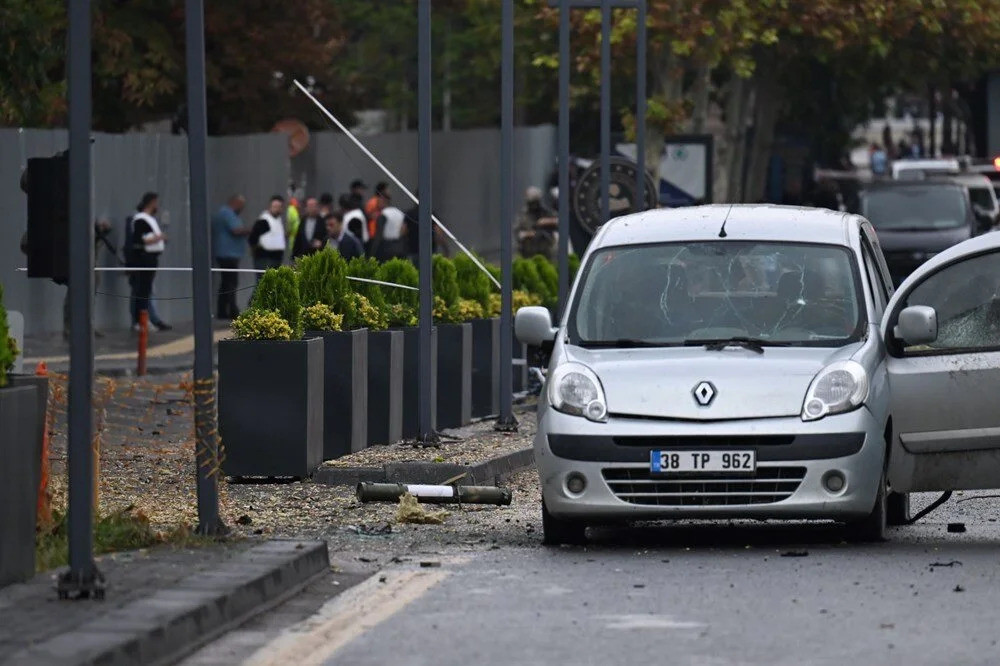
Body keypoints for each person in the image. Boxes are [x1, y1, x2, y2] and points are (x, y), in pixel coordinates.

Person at [127, 192, 171, 331]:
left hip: (151, 258)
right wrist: (159, 238)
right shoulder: (141, 219)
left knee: (146, 290)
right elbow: (143, 239)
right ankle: (141, 320)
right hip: (144, 258)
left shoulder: (149, 219)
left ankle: (145, 319)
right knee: (143, 290)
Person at [211, 194, 248, 319]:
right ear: (235, 203)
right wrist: (251, 230)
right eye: (241, 205)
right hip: (228, 254)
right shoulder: (227, 214)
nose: (242, 208)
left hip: (229, 253)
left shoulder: (227, 214)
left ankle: (225, 309)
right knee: (230, 283)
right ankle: (231, 310)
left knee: (227, 283)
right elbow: (236, 230)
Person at [248, 195, 287, 280]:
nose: (277, 209)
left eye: (279, 207)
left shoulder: (278, 220)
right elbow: (252, 238)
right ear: (270, 207)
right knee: (263, 283)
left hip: (276, 258)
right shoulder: (264, 221)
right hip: (265, 258)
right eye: (275, 206)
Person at [516, 186, 558, 260]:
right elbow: (517, 232)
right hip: (527, 252)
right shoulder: (523, 215)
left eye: (535, 201)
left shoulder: (546, 213)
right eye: (532, 202)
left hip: (544, 251)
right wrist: (527, 234)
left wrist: (545, 222)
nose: (534, 205)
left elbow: (558, 222)